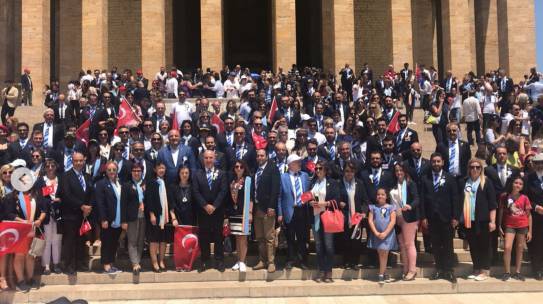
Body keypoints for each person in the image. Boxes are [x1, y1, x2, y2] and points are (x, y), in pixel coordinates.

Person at [420, 153, 460, 283]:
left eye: (438, 161)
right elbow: (422, 200)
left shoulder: (449, 178)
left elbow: (455, 198)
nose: (436, 164)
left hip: (447, 218)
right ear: (430, 163)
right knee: (436, 245)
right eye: (433, 161)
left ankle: (449, 271)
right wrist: (424, 217)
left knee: (448, 245)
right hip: (432, 218)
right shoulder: (425, 179)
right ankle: (439, 269)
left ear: (442, 162)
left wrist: (455, 216)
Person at [460, 158, 497, 281]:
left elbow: (492, 204)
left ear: (481, 169)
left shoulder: (486, 182)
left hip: (483, 220)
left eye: (477, 167)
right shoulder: (465, 182)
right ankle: (476, 269)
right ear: (469, 169)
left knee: (484, 246)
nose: (474, 169)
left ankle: (484, 270)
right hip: (469, 220)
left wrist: (492, 221)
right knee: (473, 245)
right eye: (472, 167)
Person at [192, 150, 228, 272]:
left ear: (214, 158)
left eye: (210, 158)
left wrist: (214, 206)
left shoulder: (221, 173)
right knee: (204, 236)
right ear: (203, 159)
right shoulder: (197, 174)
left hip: (217, 211)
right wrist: (205, 205)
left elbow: (223, 191)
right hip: (203, 211)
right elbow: (196, 192)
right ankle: (204, 261)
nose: (208, 160)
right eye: (206, 158)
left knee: (218, 236)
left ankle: (219, 260)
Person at [5, 186, 46, 292]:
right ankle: (20, 281)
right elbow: (9, 214)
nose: (24, 183)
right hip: (19, 230)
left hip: (33, 229)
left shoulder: (36, 194)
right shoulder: (12, 196)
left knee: (30, 255)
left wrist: (40, 220)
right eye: (21, 180)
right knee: (19, 255)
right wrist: (22, 221)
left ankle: (30, 279)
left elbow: (44, 210)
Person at [58, 151, 93, 275]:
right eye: (76, 161)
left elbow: (91, 194)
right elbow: (66, 195)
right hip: (70, 215)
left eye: (80, 160)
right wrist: (81, 206)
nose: (78, 163)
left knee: (81, 239)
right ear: (72, 161)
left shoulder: (88, 176)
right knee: (70, 241)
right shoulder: (65, 176)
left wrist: (88, 207)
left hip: (84, 216)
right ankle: (69, 265)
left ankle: (79, 263)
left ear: (84, 161)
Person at [309, 161, 342, 282]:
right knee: (318, 245)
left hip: (327, 216)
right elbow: (308, 197)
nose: (317, 170)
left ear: (325, 170)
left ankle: (328, 271)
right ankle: (321, 269)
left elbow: (337, 199)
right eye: (316, 168)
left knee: (328, 245)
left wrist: (326, 203)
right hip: (316, 216)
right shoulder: (313, 182)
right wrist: (310, 202)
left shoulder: (332, 183)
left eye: (320, 168)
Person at [278, 154, 311, 270]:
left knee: (302, 238)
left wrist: (306, 200)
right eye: (297, 162)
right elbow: (279, 197)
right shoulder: (283, 177)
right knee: (290, 237)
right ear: (291, 164)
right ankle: (290, 260)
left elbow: (308, 192)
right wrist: (280, 213)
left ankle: (303, 260)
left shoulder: (305, 176)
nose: (300, 164)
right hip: (289, 210)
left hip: (302, 210)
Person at [252, 149, 281, 273]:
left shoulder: (272, 168)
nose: (259, 157)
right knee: (260, 237)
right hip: (257, 208)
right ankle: (262, 260)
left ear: (267, 156)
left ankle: (271, 262)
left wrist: (272, 206)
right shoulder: (255, 169)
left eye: (262, 155)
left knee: (269, 236)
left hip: (268, 208)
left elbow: (275, 189)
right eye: (258, 155)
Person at [498, 176, 532, 281]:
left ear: (522, 186)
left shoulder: (525, 198)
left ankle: (518, 272)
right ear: (512, 183)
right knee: (507, 247)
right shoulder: (504, 196)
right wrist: (499, 225)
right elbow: (501, 211)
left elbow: (529, 215)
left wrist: (530, 230)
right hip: (509, 225)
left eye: (520, 184)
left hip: (522, 225)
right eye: (516, 182)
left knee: (520, 248)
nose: (518, 185)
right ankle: (507, 272)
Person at [389, 163, 420, 281]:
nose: (399, 173)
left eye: (401, 170)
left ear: (405, 171)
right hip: (397, 218)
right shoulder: (393, 185)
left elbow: (417, 199)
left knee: (409, 243)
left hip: (409, 217)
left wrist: (410, 206)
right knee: (401, 244)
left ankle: (412, 270)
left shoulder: (410, 183)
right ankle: (405, 268)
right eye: (396, 171)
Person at [145, 161, 176, 272]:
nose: (161, 170)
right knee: (154, 240)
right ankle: (154, 262)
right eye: (159, 168)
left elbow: (171, 201)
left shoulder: (168, 183)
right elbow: (148, 200)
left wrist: (173, 216)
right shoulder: (151, 182)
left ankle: (161, 261)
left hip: (166, 216)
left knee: (163, 240)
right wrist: (152, 214)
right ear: (155, 170)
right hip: (155, 216)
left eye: (163, 168)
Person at [95, 161, 124, 274]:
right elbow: (100, 203)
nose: (112, 172)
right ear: (105, 171)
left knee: (114, 242)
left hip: (118, 219)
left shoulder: (119, 183)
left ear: (117, 171)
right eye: (109, 170)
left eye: (114, 169)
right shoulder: (101, 184)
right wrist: (103, 219)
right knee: (107, 242)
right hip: (107, 219)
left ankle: (111, 263)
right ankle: (106, 265)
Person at [35, 158, 62, 275]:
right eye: (47, 166)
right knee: (47, 240)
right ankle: (46, 265)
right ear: (44, 168)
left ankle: (56, 263)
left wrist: (60, 200)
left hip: (58, 213)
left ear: (56, 167)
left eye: (52, 166)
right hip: (45, 214)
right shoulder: (41, 181)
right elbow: (39, 198)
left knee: (57, 240)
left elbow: (65, 194)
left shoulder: (61, 179)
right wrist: (49, 202)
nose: (50, 168)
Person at [339, 160, 369, 269]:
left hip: (357, 217)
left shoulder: (359, 183)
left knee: (356, 241)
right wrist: (339, 203)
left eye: (351, 171)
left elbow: (365, 201)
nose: (349, 173)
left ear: (354, 172)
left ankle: (355, 262)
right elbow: (335, 198)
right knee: (346, 240)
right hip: (344, 217)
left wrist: (364, 212)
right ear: (344, 171)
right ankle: (346, 262)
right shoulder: (339, 183)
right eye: (347, 171)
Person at [227, 160, 253, 272]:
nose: (239, 168)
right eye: (236, 166)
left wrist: (250, 212)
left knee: (243, 238)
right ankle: (238, 260)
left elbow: (251, 198)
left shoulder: (248, 180)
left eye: (241, 166)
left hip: (244, 212)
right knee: (237, 238)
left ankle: (243, 261)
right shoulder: (232, 182)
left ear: (244, 168)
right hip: (234, 213)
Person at [121, 162, 146, 275]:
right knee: (132, 241)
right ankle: (135, 264)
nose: (136, 173)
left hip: (144, 217)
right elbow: (123, 204)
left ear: (142, 172)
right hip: (131, 217)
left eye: (138, 170)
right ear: (131, 172)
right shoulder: (126, 185)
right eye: (134, 170)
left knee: (141, 241)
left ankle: (138, 260)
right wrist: (124, 220)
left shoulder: (146, 184)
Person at [367, 188, 397, 284]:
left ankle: (381, 274)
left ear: (386, 196)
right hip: (377, 234)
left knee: (384, 252)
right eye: (378, 194)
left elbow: (393, 221)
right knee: (381, 253)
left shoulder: (391, 207)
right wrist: (376, 232)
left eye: (383, 194)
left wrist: (385, 233)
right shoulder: (373, 207)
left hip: (387, 234)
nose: (380, 196)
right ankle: (383, 273)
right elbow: (370, 220)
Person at [523, 153, 543, 280]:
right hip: (535, 216)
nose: (540, 165)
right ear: (534, 164)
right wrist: (536, 207)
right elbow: (525, 197)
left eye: (542, 162)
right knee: (536, 244)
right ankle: (537, 269)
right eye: (537, 163)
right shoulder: (528, 178)